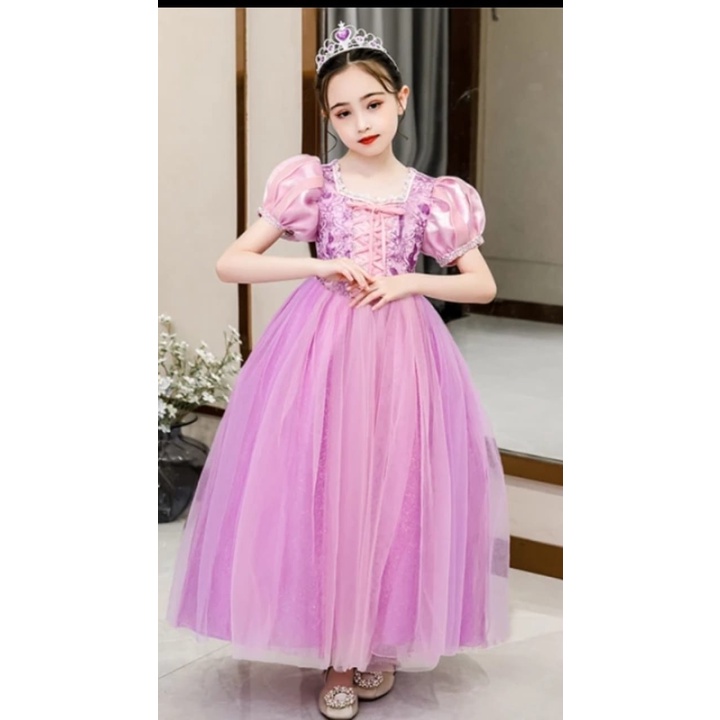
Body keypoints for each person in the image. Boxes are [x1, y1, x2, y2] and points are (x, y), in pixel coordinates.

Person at [167, 21, 510, 720]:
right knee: (327, 487)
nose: (361, 123)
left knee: (395, 490)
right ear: (327, 118)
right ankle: (337, 655)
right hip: (321, 349)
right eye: (343, 111)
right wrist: (321, 264)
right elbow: (232, 262)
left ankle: (378, 638)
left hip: (403, 355)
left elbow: (482, 285)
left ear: (402, 99)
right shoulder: (314, 185)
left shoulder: (432, 195)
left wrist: (410, 282)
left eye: (373, 104)